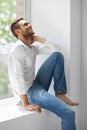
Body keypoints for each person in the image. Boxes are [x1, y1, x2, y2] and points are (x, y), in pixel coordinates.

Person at [8, 17, 79, 130]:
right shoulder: (18, 49)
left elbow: (57, 49)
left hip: (36, 83)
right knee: (69, 113)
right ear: (18, 31)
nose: (29, 25)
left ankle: (60, 93)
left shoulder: (32, 47)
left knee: (57, 56)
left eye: (29, 24)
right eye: (25, 25)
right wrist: (26, 104)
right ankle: (33, 99)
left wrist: (39, 39)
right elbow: (18, 77)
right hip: (29, 92)